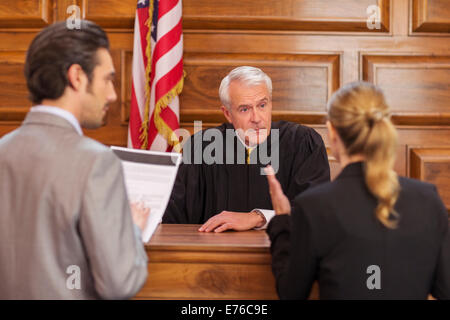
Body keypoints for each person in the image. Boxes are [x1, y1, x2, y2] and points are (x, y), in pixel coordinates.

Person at [0, 21, 150, 299]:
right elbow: (120, 283)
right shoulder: (97, 162)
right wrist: (132, 230)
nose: (113, 95)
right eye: (107, 79)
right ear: (77, 76)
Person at [265, 82, 450, 299]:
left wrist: (282, 220)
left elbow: (291, 294)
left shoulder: (314, 206)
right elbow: (445, 289)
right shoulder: (428, 199)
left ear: (332, 131)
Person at [163, 66, 330, 232]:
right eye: (244, 109)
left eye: (262, 105)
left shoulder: (302, 142)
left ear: (271, 104)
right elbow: (174, 218)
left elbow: (316, 212)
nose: (256, 118)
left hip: (283, 253)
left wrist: (258, 217)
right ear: (227, 113)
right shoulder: (201, 147)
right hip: (216, 255)